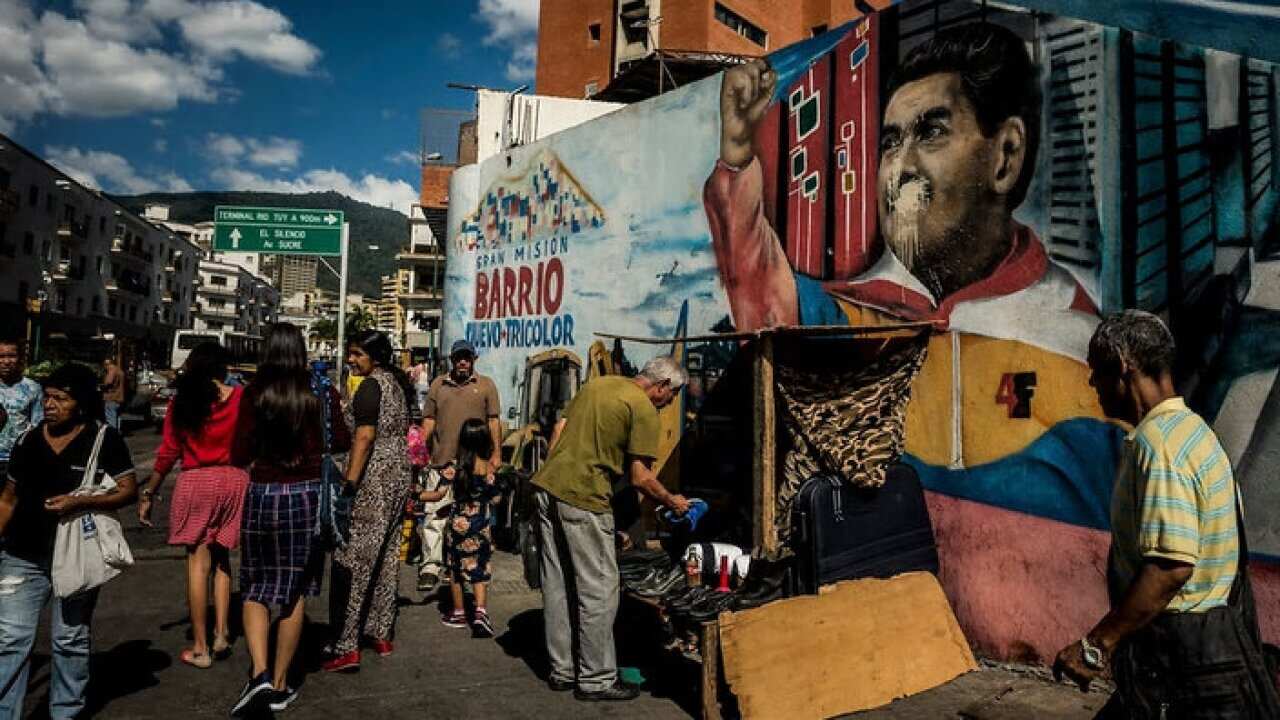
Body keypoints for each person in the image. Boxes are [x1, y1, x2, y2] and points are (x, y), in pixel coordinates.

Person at [705, 21, 1123, 661]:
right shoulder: (869, 312)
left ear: (1005, 155)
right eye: (891, 142)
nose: (900, 168)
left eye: (931, 132)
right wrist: (738, 156)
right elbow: (768, 299)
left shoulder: (1080, 336)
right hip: (909, 659)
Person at [1052, 311, 1280, 717]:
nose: (1091, 383)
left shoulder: (1160, 449)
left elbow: (1171, 567)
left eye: (1095, 370)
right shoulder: (1193, 431)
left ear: (1123, 367)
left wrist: (1095, 646)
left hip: (1182, 668)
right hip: (1197, 656)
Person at [531, 356, 691, 702]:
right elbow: (640, 478)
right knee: (600, 589)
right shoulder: (644, 409)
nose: (671, 402)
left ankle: (562, 671)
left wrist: (557, 474)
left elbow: (558, 430)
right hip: (583, 498)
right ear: (662, 386)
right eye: (673, 394)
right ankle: (596, 679)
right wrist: (673, 501)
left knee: (558, 583)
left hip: (547, 489)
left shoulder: (598, 385)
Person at [0, 363, 138, 718]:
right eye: (47, 397)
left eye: (60, 399)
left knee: (70, 641)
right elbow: (7, 499)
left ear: (79, 403)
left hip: (75, 556)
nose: (50, 405)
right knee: (10, 641)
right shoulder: (28, 439)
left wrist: (82, 500)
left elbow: (127, 491)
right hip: (21, 555)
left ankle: (65, 713)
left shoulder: (103, 438)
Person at [229, 324, 351, 715]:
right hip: (308, 497)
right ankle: (280, 684)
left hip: (263, 494)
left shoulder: (254, 394)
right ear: (301, 352)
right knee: (295, 590)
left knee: (256, 586)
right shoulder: (320, 392)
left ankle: (259, 674)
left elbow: (238, 452)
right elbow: (343, 441)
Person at [138, 342, 248, 669]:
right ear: (222, 367)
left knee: (197, 566)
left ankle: (200, 647)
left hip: (196, 481)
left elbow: (168, 452)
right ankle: (222, 633)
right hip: (232, 480)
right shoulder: (240, 398)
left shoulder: (182, 401)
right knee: (223, 561)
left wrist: (149, 492)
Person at [323, 330, 414, 672]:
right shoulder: (396, 385)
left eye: (357, 354)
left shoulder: (371, 387)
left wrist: (349, 483)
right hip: (398, 474)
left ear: (373, 357)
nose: (351, 360)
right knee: (387, 557)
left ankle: (346, 644)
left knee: (356, 561)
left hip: (373, 477)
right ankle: (381, 631)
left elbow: (364, 436)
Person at [416, 340, 502, 593]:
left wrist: (496, 454)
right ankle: (430, 567)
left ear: (474, 358)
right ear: (451, 360)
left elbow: (494, 420)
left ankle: (470, 568)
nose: (462, 362)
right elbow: (429, 420)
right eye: (457, 358)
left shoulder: (486, 385)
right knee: (435, 515)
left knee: (473, 518)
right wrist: (419, 451)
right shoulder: (438, 385)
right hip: (442, 460)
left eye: (466, 357)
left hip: (475, 464)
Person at [420, 418, 504, 637]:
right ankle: (480, 612)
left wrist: (416, 494)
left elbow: (437, 495)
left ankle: (458, 612)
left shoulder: (453, 467)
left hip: (457, 526)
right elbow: (496, 499)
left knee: (456, 569)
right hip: (481, 527)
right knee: (479, 569)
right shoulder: (489, 469)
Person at [0, 335, 43, 480]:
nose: (6, 361)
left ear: (20, 358)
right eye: (1, 356)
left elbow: (38, 426)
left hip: (18, 458)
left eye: (11, 356)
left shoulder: (33, 388)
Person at [100, 356, 125, 430]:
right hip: (119, 398)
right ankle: (117, 434)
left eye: (105, 366)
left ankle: (112, 434)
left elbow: (109, 382)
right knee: (117, 417)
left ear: (107, 364)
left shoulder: (111, 370)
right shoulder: (120, 371)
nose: (105, 368)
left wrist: (101, 386)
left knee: (110, 418)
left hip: (111, 397)